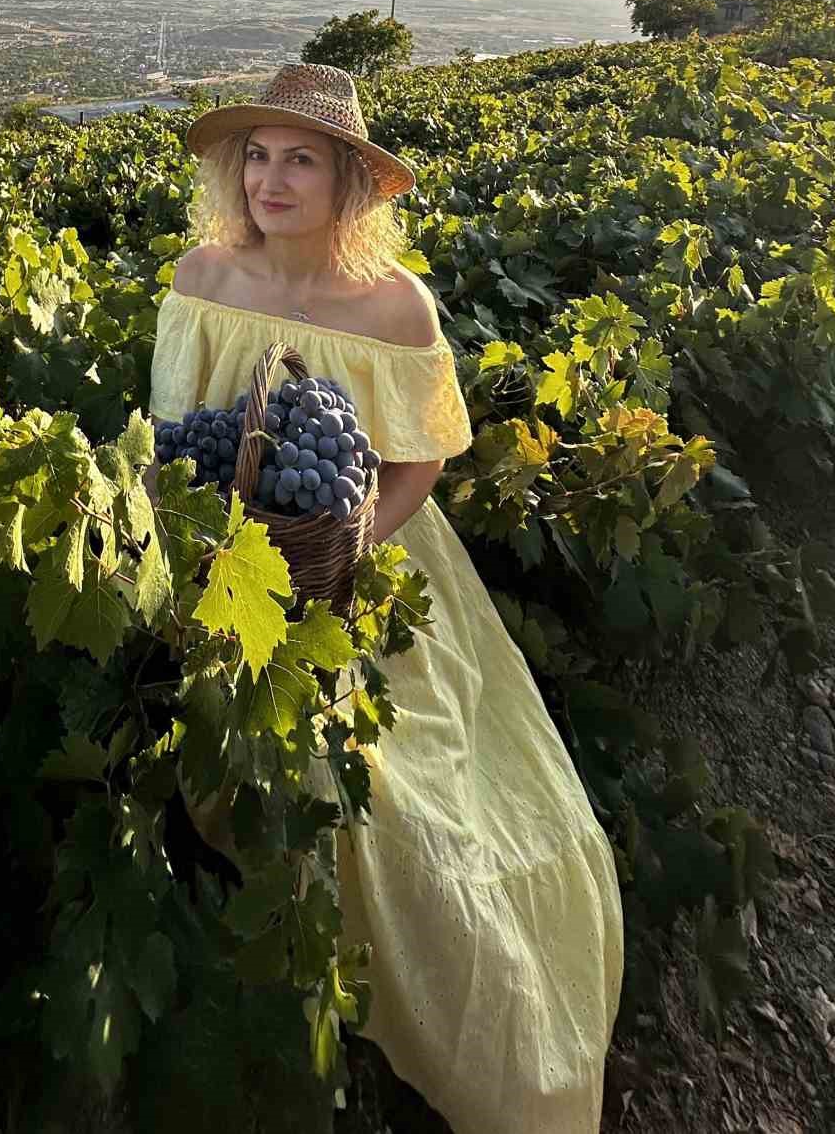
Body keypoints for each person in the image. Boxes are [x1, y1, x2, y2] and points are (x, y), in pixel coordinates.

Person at [145, 62, 624, 1134]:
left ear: (349, 181)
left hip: (364, 559)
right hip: (230, 559)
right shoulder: (202, 279)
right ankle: (273, 938)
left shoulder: (396, 307)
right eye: (256, 157)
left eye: (299, 159)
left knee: (399, 793)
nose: (271, 180)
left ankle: (432, 1024)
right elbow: (181, 436)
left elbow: (422, 461)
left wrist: (356, 537)